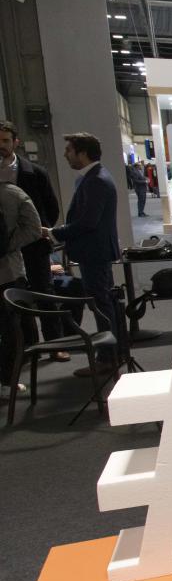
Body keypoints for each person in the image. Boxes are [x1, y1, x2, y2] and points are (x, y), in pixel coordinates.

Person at [46, 133, 120, 376]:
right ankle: (111, 354)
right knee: (103, 302)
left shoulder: (96, 180)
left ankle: (108, 357)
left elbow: (88, 222)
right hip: (94, 251)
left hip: (95, 252)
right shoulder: (92, 177)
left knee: (101, 305)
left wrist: (55, 233)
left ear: (83, 153)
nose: (65, 154)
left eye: (69, 150)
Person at [0, 121, 65, 359]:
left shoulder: (35, 172)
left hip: (33, 245)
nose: (1, 145)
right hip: (5, 251)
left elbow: (51, 208)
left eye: (5, 140)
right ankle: (27, 349)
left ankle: (56, 345)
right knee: (14, 300)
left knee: (44, 293)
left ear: (15, 142)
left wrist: (35, 232)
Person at [0, 161, 43, 401]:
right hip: (8, 271)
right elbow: (34, 229)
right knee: (12, 329)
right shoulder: (12, 193)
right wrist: (9, 246)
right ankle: (8, 380)